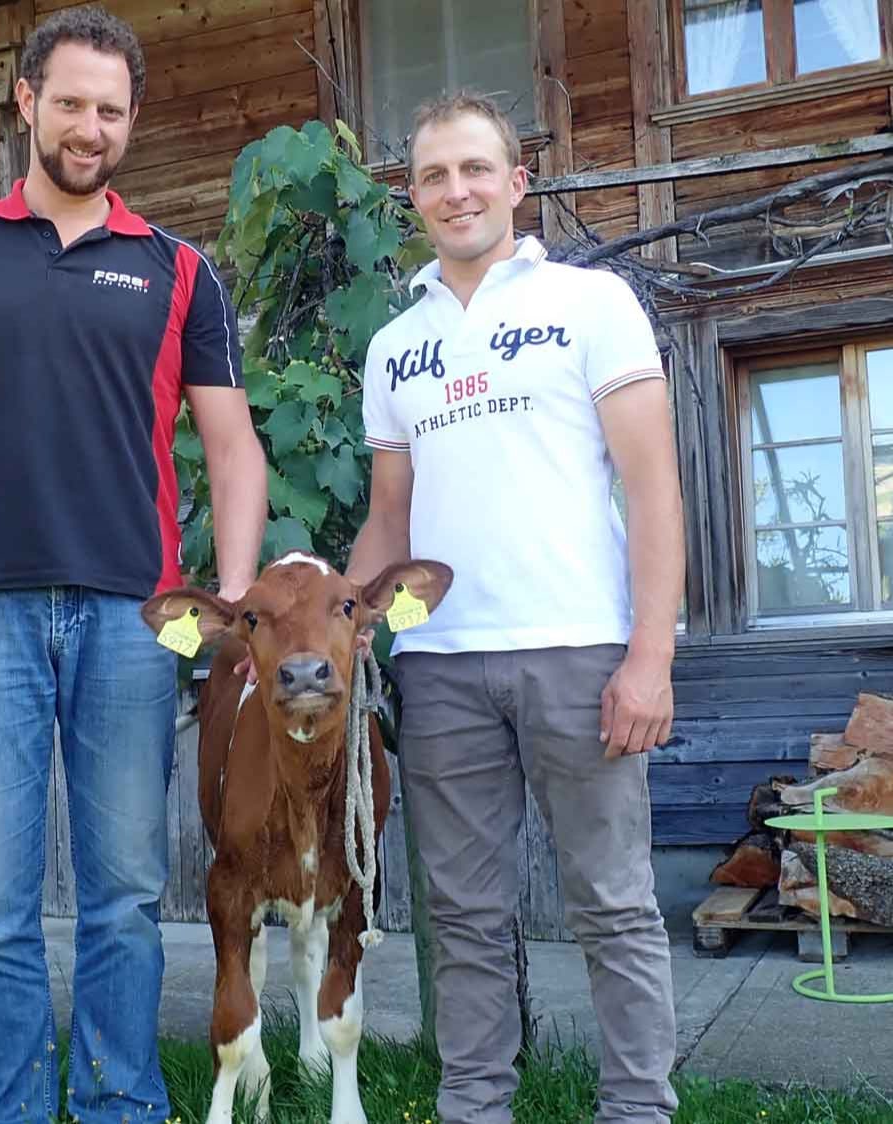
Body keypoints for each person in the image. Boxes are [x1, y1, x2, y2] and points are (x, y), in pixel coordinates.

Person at [0, 7, 268, 1122]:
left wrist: (223, 604)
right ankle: (9, 1109)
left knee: (125, 898)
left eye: (111, 109)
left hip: (135, 619)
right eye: (70, 102)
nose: (90, 126)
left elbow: (232, 448)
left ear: (130, 122)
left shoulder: (176, 271)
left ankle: (123, 1103)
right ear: (25, 102)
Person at [344, 90, 687, 1124]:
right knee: (463, 915)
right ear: (413, 196)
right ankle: (473, 1105)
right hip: (440, 662)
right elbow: (389, 518)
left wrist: (649, 658)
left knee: (613, 906)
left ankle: (635, 1107)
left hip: (580, 652)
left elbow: (654, 485)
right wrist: (341, 611)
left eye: (474, 169)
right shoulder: (393, 346)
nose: (456, 191)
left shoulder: (589, 303)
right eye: (434, 176)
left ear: (516, 182)